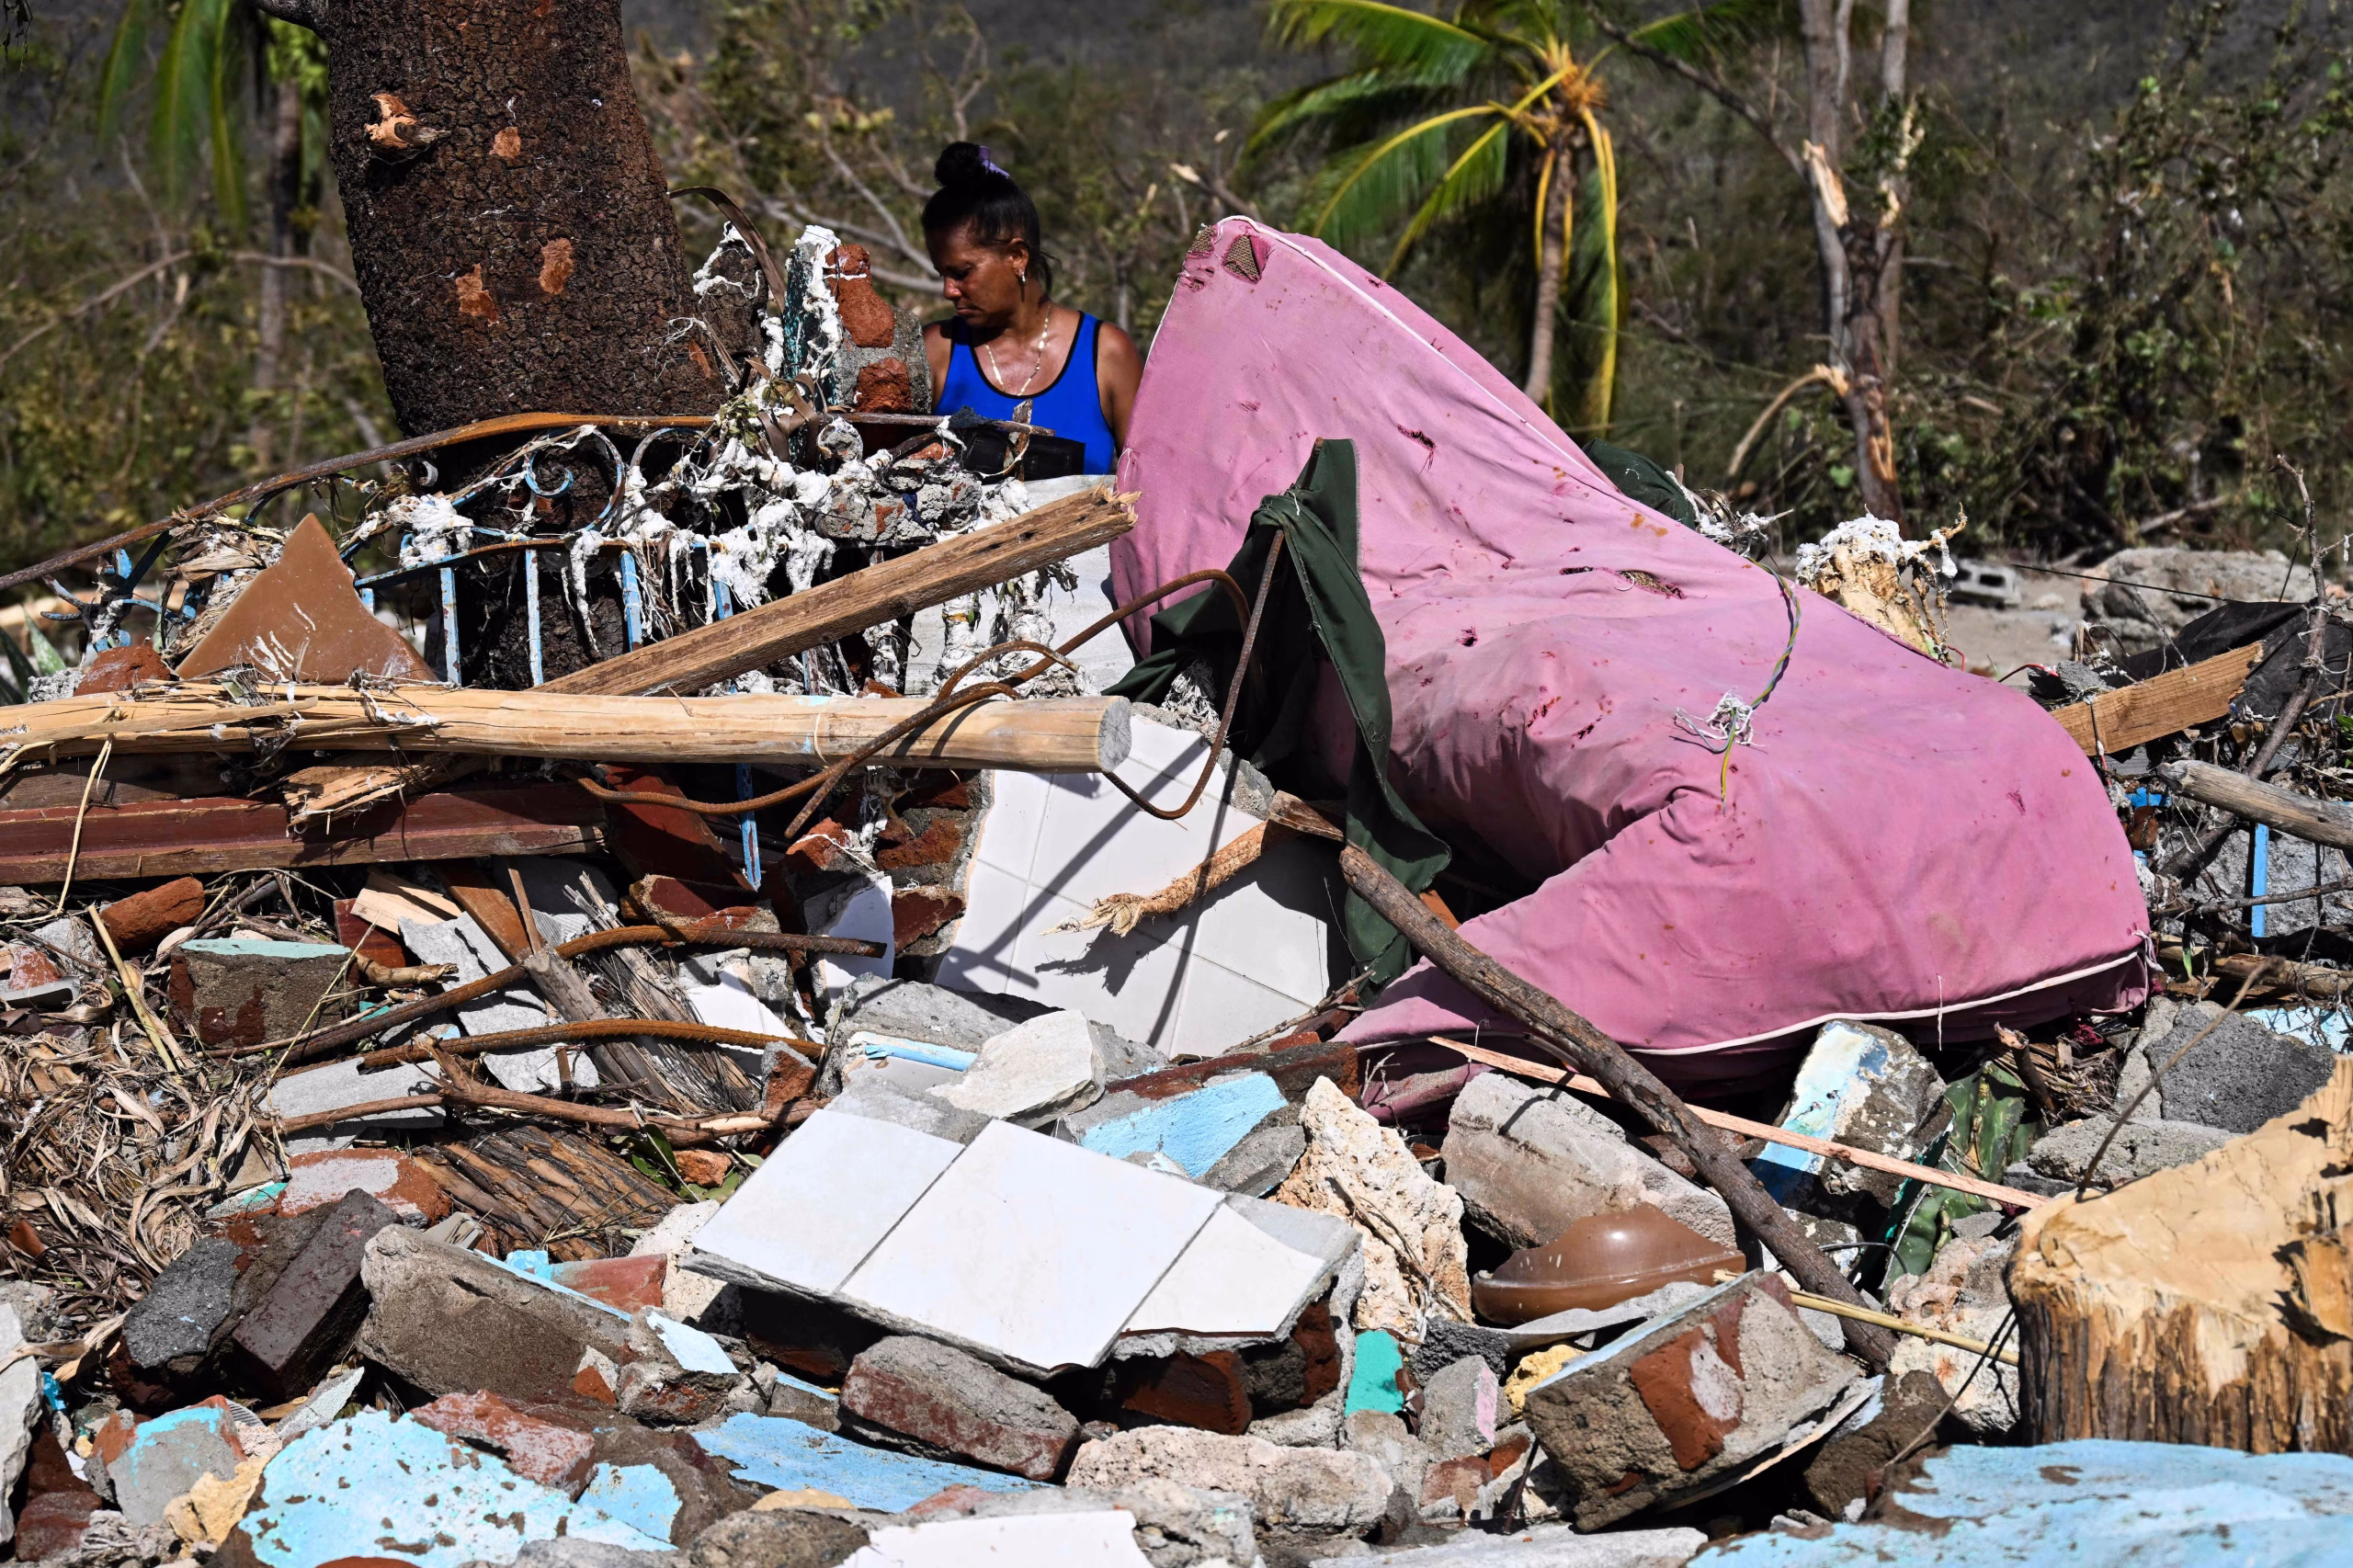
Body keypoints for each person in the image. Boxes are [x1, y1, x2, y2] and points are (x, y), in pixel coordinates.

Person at [922, 142, 1142, 475]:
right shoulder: (937, 352)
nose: (949, 291)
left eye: (962, 273)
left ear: (1017, 257)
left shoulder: (1105, 354)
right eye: (943, 274)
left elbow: (1148, 493)